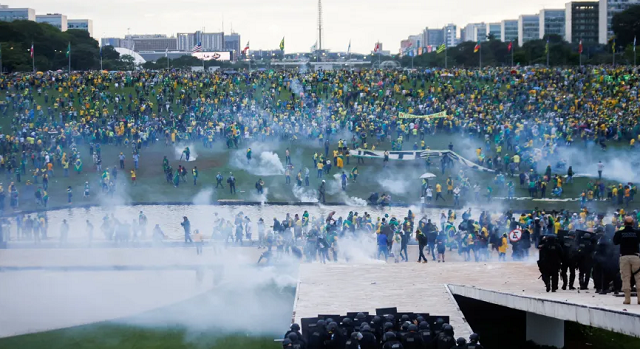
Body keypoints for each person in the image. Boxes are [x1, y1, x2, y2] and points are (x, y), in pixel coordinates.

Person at [613, 216, 640, 304]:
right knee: (638, 277)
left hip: (624, 257)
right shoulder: (637, 232)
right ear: (633, 223)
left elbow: (615, 242)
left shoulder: (620, 233)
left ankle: (627, 299)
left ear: (624, 223)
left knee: (625, 277)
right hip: (635, 256)